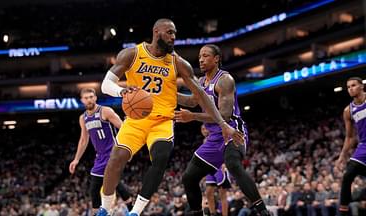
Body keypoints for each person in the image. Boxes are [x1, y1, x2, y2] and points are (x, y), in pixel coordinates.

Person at [98, 18, 243, 216]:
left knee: (161, 157)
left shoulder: (178, 63)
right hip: (136, 120)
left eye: (175, 33)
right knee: (116, 158)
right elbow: (106, 84)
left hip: (163, 121)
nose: (174, 37)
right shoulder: (132, 54)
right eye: (170, 32)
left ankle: (135, 212)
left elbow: (200, 95)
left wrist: (222, 123)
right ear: (156, 32)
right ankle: (105, 207)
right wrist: (121, 92)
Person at [175, 44, 270, 216]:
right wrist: (169, 94)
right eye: (199, 57)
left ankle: (263, 211)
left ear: (216, 58)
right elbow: (192, 102)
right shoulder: (201, 82)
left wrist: (193, 117)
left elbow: (224, 116)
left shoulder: (225, 80)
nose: (201, 60)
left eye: (205, 56)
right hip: (214, 137)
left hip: (232, 130)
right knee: (188, 177)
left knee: (233, 164)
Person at [69, 88, 131, 214]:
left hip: (113, 153)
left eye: (91, 97)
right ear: (82, 100)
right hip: (100, 157)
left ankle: (132, 210)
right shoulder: (83, 118)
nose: (89, 100)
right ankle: (130, 208)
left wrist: (126, 149)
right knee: (99, 189)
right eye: (86, 98)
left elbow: (123, 128)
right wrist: (76, 159)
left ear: (95, 98)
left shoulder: (106, 111)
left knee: (104, 185)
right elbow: (83, 140)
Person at [335, 77, 366, 216]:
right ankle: (343, 211)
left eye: (353, 85)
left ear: (361, 86)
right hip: (363, 146)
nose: (350, 88)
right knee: (348, 174)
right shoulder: (348, 110)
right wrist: (342, 156)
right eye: (348, 87)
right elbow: (350, 137)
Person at [201, 125, 231, 216]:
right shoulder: (205, 141)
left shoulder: (220, 136)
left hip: (220, 167)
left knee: (222, 194)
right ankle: (213, 213)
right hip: (210, 168)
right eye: (202, 129)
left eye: (205, 128)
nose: (204, 130)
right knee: (208, 192)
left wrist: (225, 162)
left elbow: (227, 149)